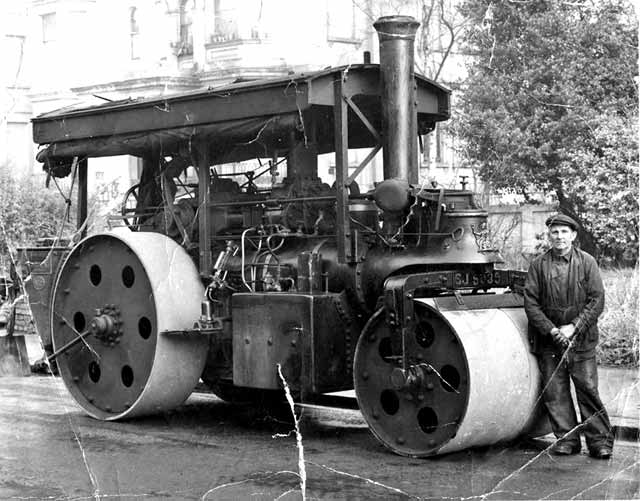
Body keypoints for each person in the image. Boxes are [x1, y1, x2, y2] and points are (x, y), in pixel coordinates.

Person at [524, 214, 614, 459]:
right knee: (556, 393)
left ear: (573, 235)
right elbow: (531, 304)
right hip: (548, 341)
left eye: (564, 232)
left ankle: (600, 442)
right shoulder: (538, 265)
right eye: (555, 232)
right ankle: (567, 440)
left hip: (581, 339)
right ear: (549, 236)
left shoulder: (587, 262)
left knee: (587, 389)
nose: (559, 237)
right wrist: (552, 330)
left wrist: (573, 327)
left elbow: (597, 300)